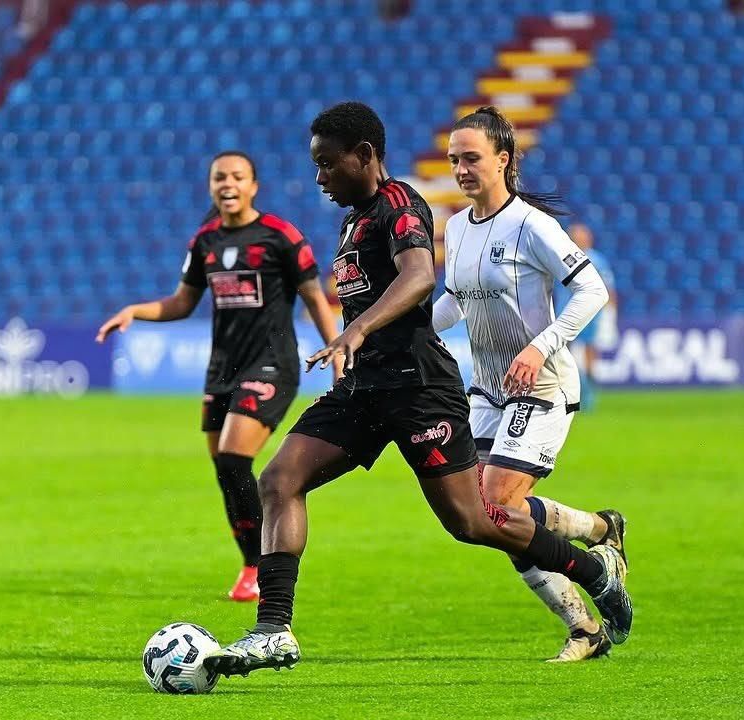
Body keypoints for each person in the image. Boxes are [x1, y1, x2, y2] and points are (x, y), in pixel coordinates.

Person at [202, 102, 632, 679]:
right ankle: (273, 630)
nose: (319, 176)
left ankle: (590, 572)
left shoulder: (401, 205)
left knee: (475, 522)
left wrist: (356, 328)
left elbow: (419, 277)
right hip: (364, 386)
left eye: (328, 164)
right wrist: (373, 337)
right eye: (316, 166)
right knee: (279, 479)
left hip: (420, 389)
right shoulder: (354, 222)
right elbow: (440, 300)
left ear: (365, 156)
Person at [96, 151, 342, 600]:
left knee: (233, 457)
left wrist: (338, 348)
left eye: (237, 176)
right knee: (226, 471)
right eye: (219, 177)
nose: (228, 183)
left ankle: (268, 568)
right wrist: (136, 311)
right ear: (211, 187)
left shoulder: (280, 235)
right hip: (222, 369)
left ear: (253, 186)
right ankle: (251, 564)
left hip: (272, 362)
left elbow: (312, 295)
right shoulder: (204, 241)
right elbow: (181, 303)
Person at [431, 107, 624, 662]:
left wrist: (542, 344)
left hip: (540, 385)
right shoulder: (459, 228)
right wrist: (400, 322)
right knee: (490, 518)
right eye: (453, 160)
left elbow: (592, 292)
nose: (461, 169)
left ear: (503, 159)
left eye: (471, 158)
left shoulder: (532, 225)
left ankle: (585, 623)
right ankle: (597, 533)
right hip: (487, 392)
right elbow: (455, 302)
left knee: (496, 506)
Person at [556, 223, 619, 411]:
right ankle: (567, 392)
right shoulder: (561, 256)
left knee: (589, 352)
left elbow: (608, 288)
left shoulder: (596, 260)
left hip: (590, 314)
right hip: (564, 312)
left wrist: (610, 313)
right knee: (562, 353)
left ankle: (589, 394)